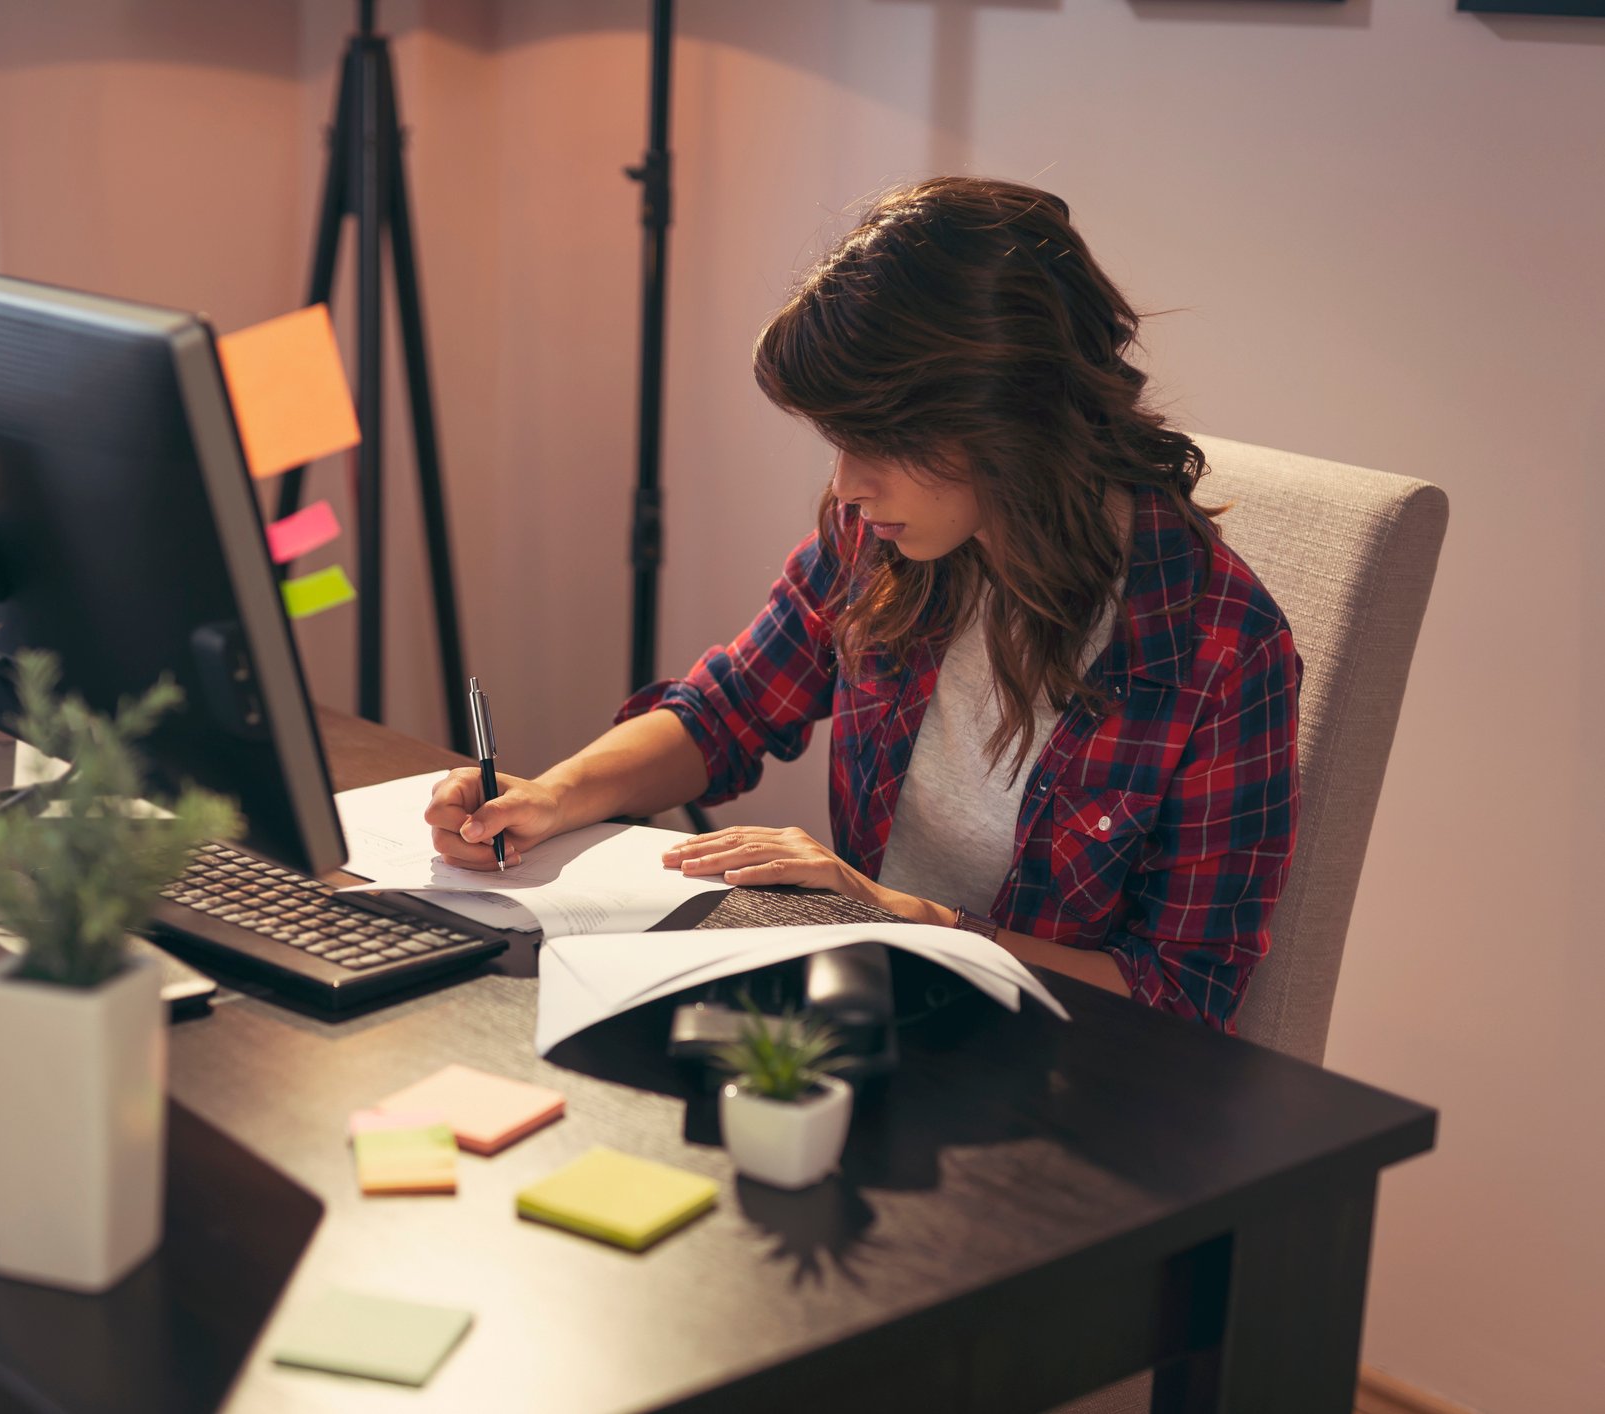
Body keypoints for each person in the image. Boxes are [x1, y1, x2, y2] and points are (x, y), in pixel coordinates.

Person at [426, 176, 1299, 1031]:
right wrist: (550, 796)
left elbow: (1182, 996)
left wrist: (899, 916)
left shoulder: (1219, 648)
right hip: (870, 1012)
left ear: (1009, 417)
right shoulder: (888, 543)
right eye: (839, 443)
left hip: (1057, 1074)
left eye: (879, 443)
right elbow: (725, 712)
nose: (845, 485)